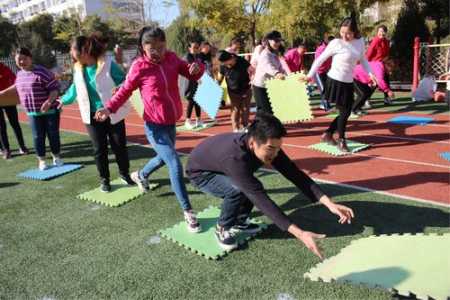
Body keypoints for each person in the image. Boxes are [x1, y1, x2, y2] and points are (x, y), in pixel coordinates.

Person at [186, 113, 354, 256]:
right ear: (252, 143)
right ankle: (222, 227)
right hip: (201, 173)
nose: (275, 154)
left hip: (218, 163)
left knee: (247, 184)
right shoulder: (235, 159)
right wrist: (300, 233)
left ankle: (239, 220)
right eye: (270, 149)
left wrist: (329, 203)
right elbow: (259, 197)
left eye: (278, 148)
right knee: (238, 190)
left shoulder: (270, 146)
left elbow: (295, 174)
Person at [94, 26, 204, 233]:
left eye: (161, 47)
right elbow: (125, 90)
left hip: (171, 122)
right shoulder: (139, 67)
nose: (157, 52)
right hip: (154, 126)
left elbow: (193, 72)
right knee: (174, 162)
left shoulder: (172, 59)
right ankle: (188, 211)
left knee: (163, 158)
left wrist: (197, 68)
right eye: (151, 47)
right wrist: (109, 108)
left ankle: (141, 175)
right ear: (143, 47)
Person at [60, 35, 134, 192]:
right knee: (99, 149)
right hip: (91, 116)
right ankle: (104, 179)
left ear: (84, 50)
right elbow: (74, 89)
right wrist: (62, 100)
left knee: (119, 146)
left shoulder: (108, 65)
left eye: (72, 49)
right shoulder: (78, 69)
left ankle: (124, 173)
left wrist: (119, 87)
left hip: (112, 112)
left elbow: (126, 81)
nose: (71, 53)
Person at [305, 14, 376, 153]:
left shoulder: (359, 42)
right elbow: (319, 60)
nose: (344, 36)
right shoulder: (336, 43)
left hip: (348, 82)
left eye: (348, 33)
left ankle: (328, 133)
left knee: (346, 111)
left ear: (354, 32)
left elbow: (363, 60)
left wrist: (371, 74)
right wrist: (309, 75)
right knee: (344, 111)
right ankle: (341, 140)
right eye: (342, 32)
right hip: (335, 81)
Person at [13, 47, 63, 170]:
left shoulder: (42, 71)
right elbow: (15, 88)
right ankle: (41, 160)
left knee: (53, 134)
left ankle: (56, 157)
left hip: (50, 111)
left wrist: (48, 102)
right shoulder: (19, 74)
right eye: (18, 60)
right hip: (33, 113)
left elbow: (54, 89)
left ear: (30, 58)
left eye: (23, 59)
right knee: (37, 136)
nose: (21, 62)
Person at [253, 31, 287, 114]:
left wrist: (285, 74)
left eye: (279, 41)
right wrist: (277, 73)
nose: (278, 43)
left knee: (270, 111)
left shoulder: (274, 54)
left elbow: (279, 67)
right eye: (276, 41)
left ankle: (267, 126)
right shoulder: (265, 54)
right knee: (264, 112)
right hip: (260, 87)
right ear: (269, 41)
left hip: (270, 86)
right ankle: (257, 127)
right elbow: (268, 66)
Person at [217, 50, 252, 132]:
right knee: (235, 109)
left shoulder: (241, 60)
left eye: (226, 62)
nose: (225, 65)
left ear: (231, 58)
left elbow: (251, 69)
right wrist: (215, 85)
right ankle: (236, 128)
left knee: (245, 108)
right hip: (233, 91)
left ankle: (245, 126)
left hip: (246, 88)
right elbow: (219, 77)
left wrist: (252, 78)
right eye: (224, 63)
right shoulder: (223, 65)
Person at [0, 62, 28, 159]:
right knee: (1, 126)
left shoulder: (5, 68)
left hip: (8, 99)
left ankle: (22, 147)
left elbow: (15, 80)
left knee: (15, 123)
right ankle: (5, 150)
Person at [366, 25, 392, 105]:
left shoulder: (386, 42)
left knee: (386, 81)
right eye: (380, 31)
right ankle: (366, 98)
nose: (382, 33)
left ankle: (387, 98)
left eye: (383, 31)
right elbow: (368, 55)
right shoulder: (375, 41)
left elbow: (387, 54)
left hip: (382, 64)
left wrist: (388, 65)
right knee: (375, 83)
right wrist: (367, 67)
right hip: (374, 65)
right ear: (377, 32)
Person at [184, 40, 204, 129]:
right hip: (190, 82)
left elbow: (200, 67)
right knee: (191, 101)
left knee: (198, 100)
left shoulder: (197, 57)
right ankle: (187, 120)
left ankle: (198, 120)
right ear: (189, 48)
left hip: (196, 82)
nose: (196, 49)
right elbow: (194, 68)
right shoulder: (188, 56)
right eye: (194, 47)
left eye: (197, 47)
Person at [313, 35, 335, 111]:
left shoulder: (331, 49)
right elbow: (318, 61)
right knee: (323, 89)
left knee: (328, 88)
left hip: (325, 72)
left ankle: (323, 104)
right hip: (318, 72)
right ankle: (326, 107)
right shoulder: (321, 49)